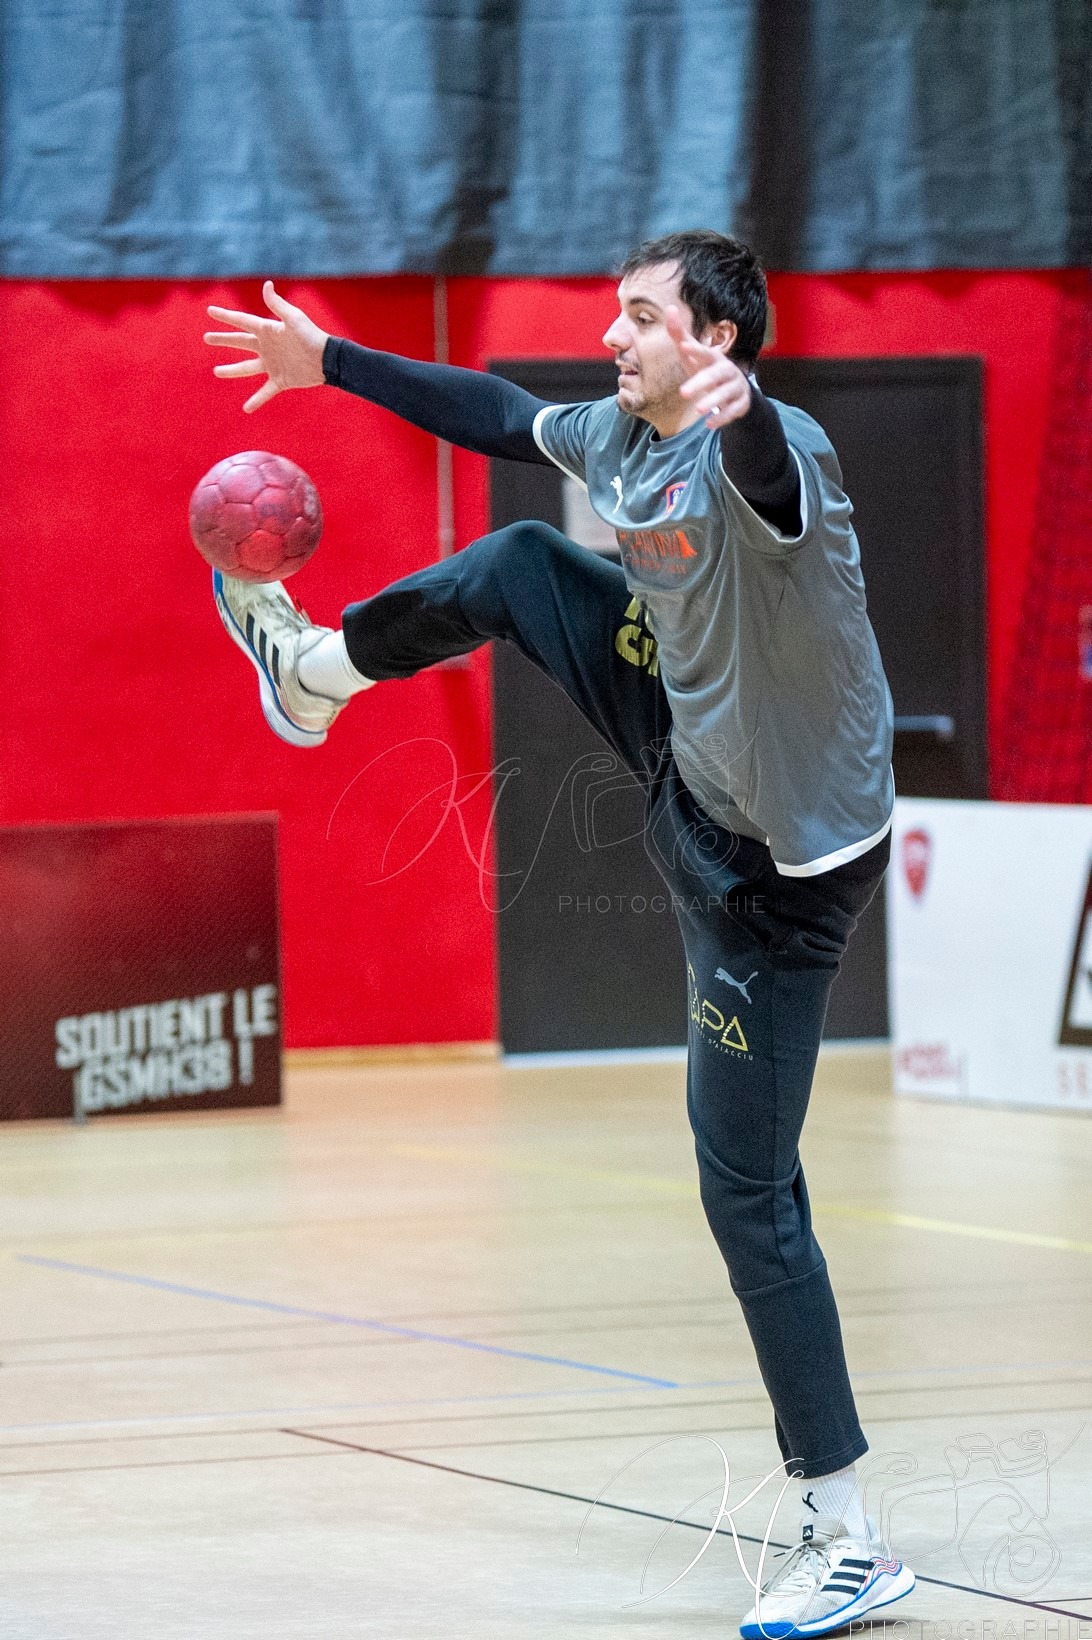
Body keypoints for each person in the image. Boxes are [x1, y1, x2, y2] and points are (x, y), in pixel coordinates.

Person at [204, 230, 914, 1637]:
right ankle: (315, 673)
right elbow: (496, 413)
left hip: (776, 876)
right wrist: (329, 361)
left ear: (714, 341)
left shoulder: (778, 454)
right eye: (616, 314)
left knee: (747, 1195)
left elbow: (769, 475)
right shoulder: (624, 436)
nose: (611, 336)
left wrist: (747, 414)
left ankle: (848, 1537)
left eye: (640, 318)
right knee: (528, 558)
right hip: (689, 745)